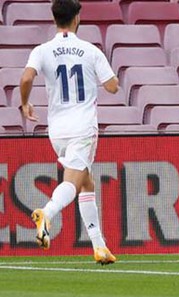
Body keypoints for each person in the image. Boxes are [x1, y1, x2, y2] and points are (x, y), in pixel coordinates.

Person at [20, 0, 119, 265]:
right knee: (74, 182)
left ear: (54, 19)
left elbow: (27, 78)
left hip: (57, 129)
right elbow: (112, 87)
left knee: (86, 181)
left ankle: (99, 246)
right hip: (83, 127)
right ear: (77, 18)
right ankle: (47, 213)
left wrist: (25, 103)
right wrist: (111, 79)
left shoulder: (42, 50)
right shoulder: (90, 50)